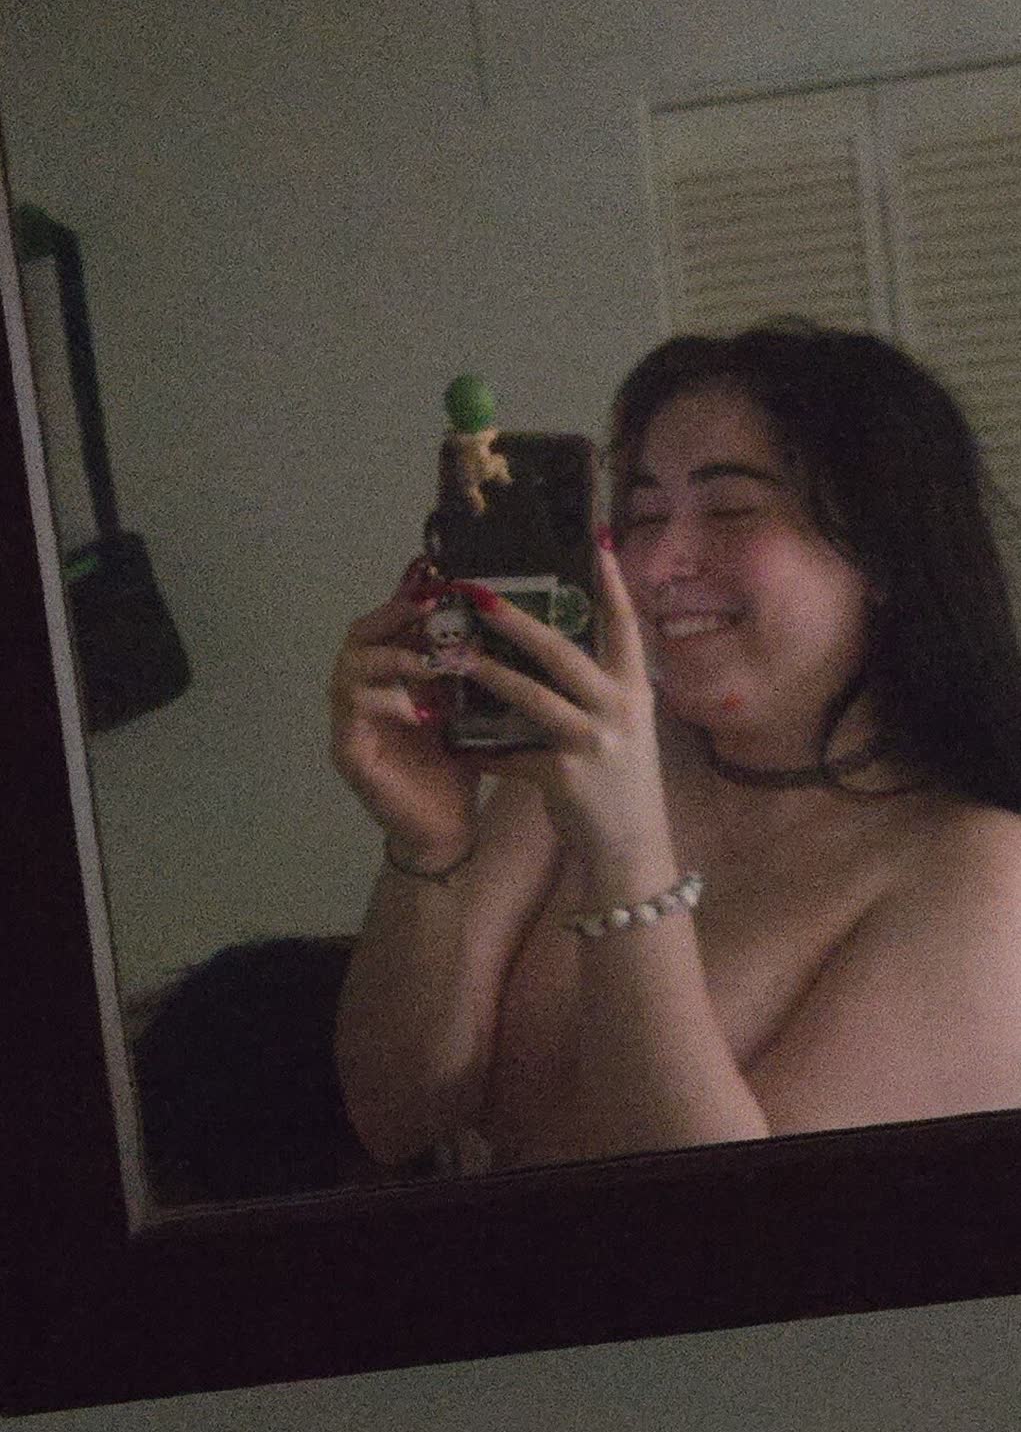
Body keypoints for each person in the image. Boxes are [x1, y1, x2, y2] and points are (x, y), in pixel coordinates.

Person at [329, 320, 1021, 1177]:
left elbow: (741, 1231)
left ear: (884, 555)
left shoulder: (982, 874)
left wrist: (625, 852)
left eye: (730, 510)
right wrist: (428, 847)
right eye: (642, 514)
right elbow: (396, 1116)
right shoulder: (589, 756)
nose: (653, 565)